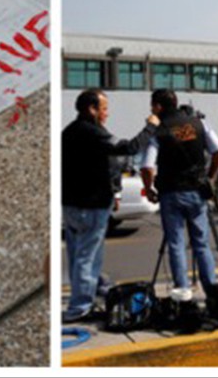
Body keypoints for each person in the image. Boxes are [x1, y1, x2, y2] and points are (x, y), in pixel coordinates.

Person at [61, 89, 159, 322]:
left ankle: (90, 292)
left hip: (72, 205)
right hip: (91, 206)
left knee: (78, 256)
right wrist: (151, 126)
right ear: (91, 109)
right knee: (87, 257)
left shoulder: (69, 131)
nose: (107, 113)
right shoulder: (93, 133)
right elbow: (129, 147)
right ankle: (80, 307)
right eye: (104, 108)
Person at [139, 89, 218, 303]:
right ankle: (212, 289)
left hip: (171, 192)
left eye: (152, 106)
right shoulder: (198, 123)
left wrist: (149, 189)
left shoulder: (158, 130)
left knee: (175, 243)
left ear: (158, 107)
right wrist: (210, 177)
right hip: (196, 190)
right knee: (201, 243)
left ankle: (183, 290)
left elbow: (148, 167)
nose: (151, 110)